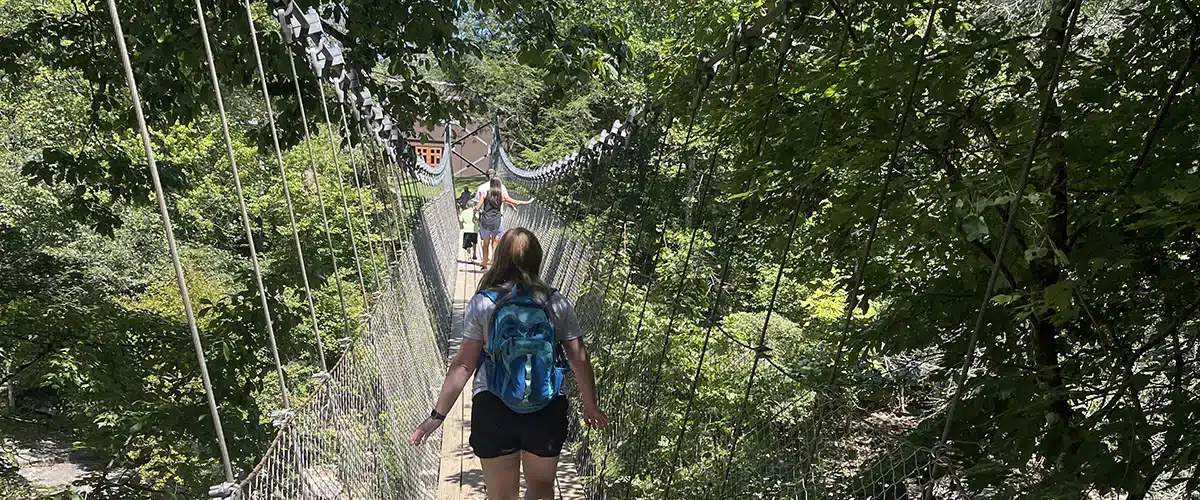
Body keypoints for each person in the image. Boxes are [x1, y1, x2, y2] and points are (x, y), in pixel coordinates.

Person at [409, 228, 608, 500]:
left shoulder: (482, 303)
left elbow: (464, 366)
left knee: (501, 495)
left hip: (494, 406)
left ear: (500, 259)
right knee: (540, 488)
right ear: (538, 260)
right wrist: (590, 405)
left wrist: (437, 417)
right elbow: (579, 360)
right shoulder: (556, 302)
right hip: (546, 406)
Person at [475, 178, 531, 268]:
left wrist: (476, 206)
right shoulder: (501, 195)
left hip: (485, 221)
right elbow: (514, 201)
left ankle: (484, 262)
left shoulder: (485, 193)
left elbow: (477, 207)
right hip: (496, 221)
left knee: (485, 244)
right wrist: (525, 202)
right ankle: (493, 264)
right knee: (495, 243)